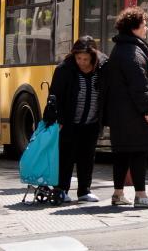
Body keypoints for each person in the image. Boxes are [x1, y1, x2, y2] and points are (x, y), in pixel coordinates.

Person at [104, 6, 148, 208]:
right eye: (144, 25)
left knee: (122, 154)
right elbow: (139, 86)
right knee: (138, 153)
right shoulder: (133, 52)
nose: (147, 28)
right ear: (134, 28)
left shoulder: (119, 50)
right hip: (133, 115)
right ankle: (141, 196)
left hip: (119, 114)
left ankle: (118, 194)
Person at [49, 35, 107, 203]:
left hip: (92, 122)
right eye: (78, 58)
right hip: (69, 122)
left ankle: (84, 191)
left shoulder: (102, 67)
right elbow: (55, 96)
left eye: (86, 59)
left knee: (87, 157)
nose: (82, 62)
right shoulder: (64, 69)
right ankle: (61, 189)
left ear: (93, 57)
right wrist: (58, 118)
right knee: (66, 156)